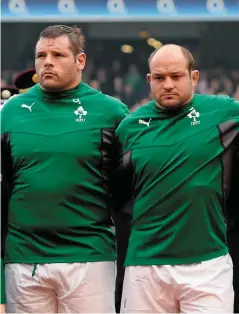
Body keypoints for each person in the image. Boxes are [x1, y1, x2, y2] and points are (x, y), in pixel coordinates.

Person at [1, 24, 129, 313]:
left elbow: (129, 184)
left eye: (58, 54)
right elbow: (4, 184)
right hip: (24, 258)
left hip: (90, 256)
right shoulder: (11, 111)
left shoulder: (111, 112)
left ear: (80, 61)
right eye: (41, 55)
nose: (47, 61)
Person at [116, 44, 239, 313]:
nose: (168, 84)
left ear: (193, 78)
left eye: (176, 76)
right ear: (149, 80)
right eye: (159, 78)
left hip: (208, 265)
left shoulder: (224, 112)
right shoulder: (129, 127)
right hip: (144, 266)